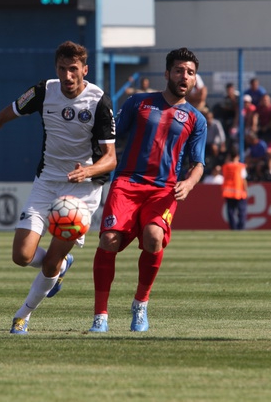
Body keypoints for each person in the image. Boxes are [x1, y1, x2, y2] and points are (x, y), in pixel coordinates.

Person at [0, 41, 117, 335]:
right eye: (62, 69)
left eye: (73, 69)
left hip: (82, 191)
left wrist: (88, 170)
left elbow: (110, 159)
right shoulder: (43, 91)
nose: (67, 76)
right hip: (46, 182)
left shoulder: (99, 102)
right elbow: (0, 117)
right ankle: (61, 266)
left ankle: (23, 315)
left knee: (49, 262)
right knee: (21, 256)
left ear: (85, 70)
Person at [89, 48, 206, 333]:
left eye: (190, 73)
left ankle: (140, 305)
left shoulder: (196, 119)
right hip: (127, 183)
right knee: (109, 239)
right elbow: (111, 139)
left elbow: (199, 163)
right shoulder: (138, 103)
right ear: (167, 74)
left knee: (154, 238)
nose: (184, 76)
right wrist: (96, 165)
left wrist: (189, 184)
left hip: (163, 190)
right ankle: (100, 316)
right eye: (179, 70)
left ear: (194, 80)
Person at [221, 148, 248, 230]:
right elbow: (243, 179)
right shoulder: (240, 167)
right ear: (237, 156)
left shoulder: (225, 166)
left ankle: (233, 228)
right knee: (242, 212)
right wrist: (246, 190)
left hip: (228, 192)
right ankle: (241, 228)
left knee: (230, 212)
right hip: (239, 192)